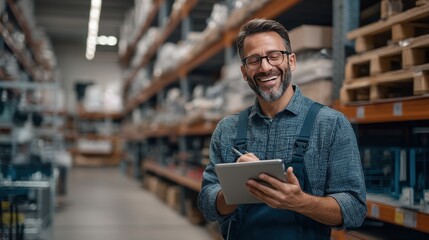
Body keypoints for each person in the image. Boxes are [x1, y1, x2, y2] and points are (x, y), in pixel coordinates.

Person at [197, 19, 366, 240]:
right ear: (244, 71)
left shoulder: (331, 124)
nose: (265, 67)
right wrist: (235, 189)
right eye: (254, 60)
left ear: (291, 61)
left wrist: (300, 202)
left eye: (274, 56)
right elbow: (207, 205)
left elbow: (354, 210)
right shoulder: (227, 129)